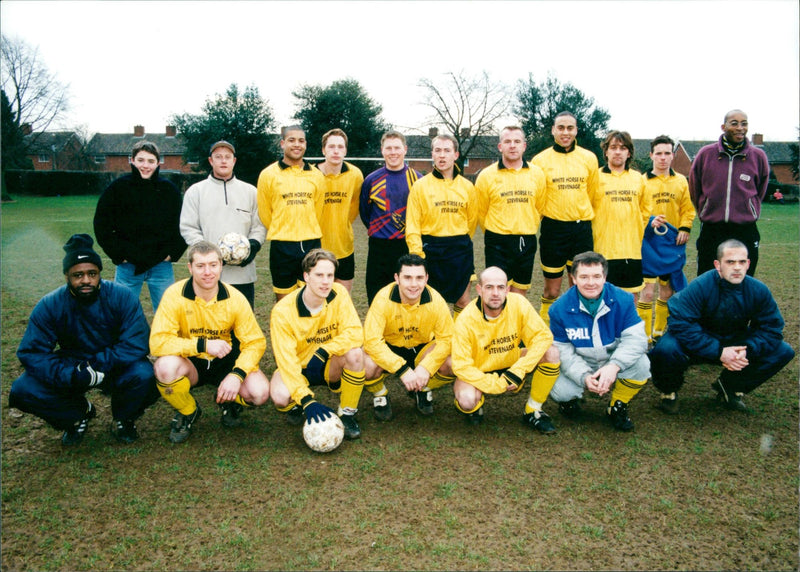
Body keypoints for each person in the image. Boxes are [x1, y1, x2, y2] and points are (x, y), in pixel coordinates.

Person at [8, 234, 158, 445]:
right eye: (78, 275)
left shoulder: (122, 296)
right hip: (72, 365)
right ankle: (78, 414)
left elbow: (137, 341)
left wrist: (97, 364)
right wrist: (72, 375)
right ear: (67, 276)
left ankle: (124, 418)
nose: (86, 280)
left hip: (113, 363)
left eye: (91, 273)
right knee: (23, 389)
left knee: (145, 374)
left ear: (99, 274)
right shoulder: (50, 304)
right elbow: (31, 353)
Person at [649, 239, 794, 414]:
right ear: (718, 265)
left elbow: (771, 328)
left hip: (735, 343)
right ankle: (668, 391)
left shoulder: (758, 290)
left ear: (748, 264)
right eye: (730, 262)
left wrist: (746, 351)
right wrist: (719, 351)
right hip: (698, 343)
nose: (737, 267)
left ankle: (729, 386)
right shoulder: (700, 286)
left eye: (741, 262)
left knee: (783, 351)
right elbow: (680, 323)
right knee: (666, 348)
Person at [149, 241, 270, 443]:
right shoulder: (174, 295)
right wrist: (202, 345)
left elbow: (255, 342)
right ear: (190, 267)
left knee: (259, 393)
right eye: (200, 266)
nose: (208, 272)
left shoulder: (235, 298)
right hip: (190, 361)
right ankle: (188, 411)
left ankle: (227, 399)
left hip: (225, 360)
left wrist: (237, 375)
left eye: (213, 265)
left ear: (221, 266)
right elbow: (158, 342)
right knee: (164, 367)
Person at [269, 249, 368, 440]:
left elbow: (355, 333)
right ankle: (299, 402)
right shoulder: (282, 311)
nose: (325, 281)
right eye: (319, 275)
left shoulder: (339, 293)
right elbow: (286, 361)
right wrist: (307, 400)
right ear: (306, 276)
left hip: (328, 364)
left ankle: (347, 413)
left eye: (330, 275)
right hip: (298, 367)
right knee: (280, 397)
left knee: (355, 354)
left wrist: (325, 350)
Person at [548, 251, 650, 432]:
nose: (591, 282)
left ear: (605, 277)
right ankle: (570, 401)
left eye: (596, 276)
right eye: (584, 277)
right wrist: (584, 376)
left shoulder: (624, 299)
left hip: (613, 360)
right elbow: (562, 351)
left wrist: (614, 366)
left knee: (642, 364)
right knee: (557, 388)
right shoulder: (558, 308)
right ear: (573, 278)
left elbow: (636, 340)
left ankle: (617, 405)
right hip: (582, 362)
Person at [451, 267, 561, 433]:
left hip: (512, 362)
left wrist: (518, 371)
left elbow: (543, 336)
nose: (495, 293)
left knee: (551, 353)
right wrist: (497, 384)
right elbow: (460, 366)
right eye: (489, 287)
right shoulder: (466, 319)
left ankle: (533, 410)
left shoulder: (519, 303)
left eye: (500, 287)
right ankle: (477, 403)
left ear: (507, 290)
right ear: (479, 290)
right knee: (467, 401)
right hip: (479, 368)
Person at [94, 140, 186, 312]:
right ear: (132, 161)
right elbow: (102, 224)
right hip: (128, 266)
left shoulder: (169, 190)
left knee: (168, 314)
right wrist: (118, 255)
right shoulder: (117, 188)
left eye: (151, 161)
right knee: (121, 313)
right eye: (141, 160)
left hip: (161, 265)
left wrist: (172, 254)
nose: (146, 165)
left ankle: (164, 340)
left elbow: (182, 225)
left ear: (158, 163)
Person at [363, 254, 455, 419]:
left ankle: (422, 388)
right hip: (390, 346)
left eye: (419, 277)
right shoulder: (382, 299)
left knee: (453, 362)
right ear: (397, 278)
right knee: (365, 365)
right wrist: (402, 369)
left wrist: (426, 367)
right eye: (407, 277)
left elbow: (447, 339)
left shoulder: (436, 301)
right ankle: (380, 393)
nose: (414, 284)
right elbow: (371, 341)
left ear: (426, 278)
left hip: (422, 349)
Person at [180, 140, 266, 308]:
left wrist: (253, 246)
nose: (223, 161)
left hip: (243, 275)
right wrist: (208, 254)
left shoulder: (251, 192)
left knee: (241, 328)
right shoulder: (196, 192)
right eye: (218, 157)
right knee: (209, 327)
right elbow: (188, 228)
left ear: (234, 161)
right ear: (211, 161)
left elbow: (259, 226)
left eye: (228, 157)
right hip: (208, 276)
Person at [532, 111, 600, 324]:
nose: (565, 132)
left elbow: (592, 193)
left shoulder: (589, 158)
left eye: (570, 128)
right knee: (551, 290)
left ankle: (576, 328)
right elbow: (538, 197)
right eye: (560, 128)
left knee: (579, 286)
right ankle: (546, 332)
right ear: (553, 130)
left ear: (576, 130)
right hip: (553, 230)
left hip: (581, 230)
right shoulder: (540, 160)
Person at [689, 109, 769, 277]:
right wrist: (706, 209)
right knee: (708, 278)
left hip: (745, 228)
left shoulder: (758, 156)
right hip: (713, 228)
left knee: (742, 279)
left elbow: (760, 190)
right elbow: (695, 188)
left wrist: (749, 208)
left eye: (744, 123)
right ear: (723, 127)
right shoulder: (706, 154)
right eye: (734, 123)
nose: (740, 128)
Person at [406, 134, 477, 315]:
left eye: (447, 151)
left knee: (462, 300)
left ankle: (459, 341)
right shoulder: (420, 186)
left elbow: (471, 222)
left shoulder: (467, 187)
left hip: (459, 249)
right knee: (431, 303)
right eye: (438, 150)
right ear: (432, 154)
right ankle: (435, 342)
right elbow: (412, 225)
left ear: (456, 154)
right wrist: (417, 255)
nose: (442, 155)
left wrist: (459, 240)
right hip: (431, 249)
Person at [257, 125, 326, 301]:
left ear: (306, 144)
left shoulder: (317, 175)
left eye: (301, 141)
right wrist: (283, 229)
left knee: (311, 298)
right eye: (291, 140)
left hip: (311, 243)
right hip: (282, 246)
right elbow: (265, 213)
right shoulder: (268, 174)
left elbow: (318, 210)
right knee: (284, 301)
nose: (297, 145)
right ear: (282, 143)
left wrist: (305, 227)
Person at [475, 126, 547, 295]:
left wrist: (526, 225)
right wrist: (497, 231)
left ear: (524, 146)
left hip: (526, 239)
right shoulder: (486, 175)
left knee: (519, 294)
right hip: (497, 241)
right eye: (507, 141)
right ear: (500, 146)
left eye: (517, 141)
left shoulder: (537, 174)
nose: (512, 145)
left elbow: (540, 207)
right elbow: (481, 211)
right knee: (497, 293)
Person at [637, 135, 696, 340]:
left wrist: (685, 228)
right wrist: (647, 224)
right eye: (659, 153)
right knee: (646, 292)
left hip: (672, 244)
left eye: (667, 153)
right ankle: (643, 337)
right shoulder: (641, 181)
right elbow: (635, 212)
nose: (663, 158)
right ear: (651, 155)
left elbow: (688, 209)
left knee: (667, 291)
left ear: (672, 155)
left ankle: (659, 332)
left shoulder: (680, 181)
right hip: (648, 243)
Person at [360, 131, 422, 305]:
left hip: (406, 244)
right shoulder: (371, 180)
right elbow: (365, 213)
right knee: (376, 296)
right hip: (379, 246)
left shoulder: (417, 179)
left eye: (397, 147)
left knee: (405, 297)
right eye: (389, 148)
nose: (393, 152)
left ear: (405, 150)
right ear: (382, 150)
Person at [593, 130, 651, 293]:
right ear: (606, 151)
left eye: (623, 148)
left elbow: (645, 212)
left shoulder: (638, 179)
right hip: (602, 251)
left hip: (630, 251)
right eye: (613, 147)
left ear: (629, 152)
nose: (618, 152)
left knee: (629, 301)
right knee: (601, 300)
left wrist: (633, 230)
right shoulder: (595, 177)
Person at [315, 129, 364, 292]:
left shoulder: (355, 175)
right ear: (323, 150)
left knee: (343, 300)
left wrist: (341, 224)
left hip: (344, 246)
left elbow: (354, 207)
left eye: (340, 147)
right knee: (317, 299)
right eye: (331, 146)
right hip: (315, 247)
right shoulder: (310, 174)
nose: (336, 151)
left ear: (345, 150)